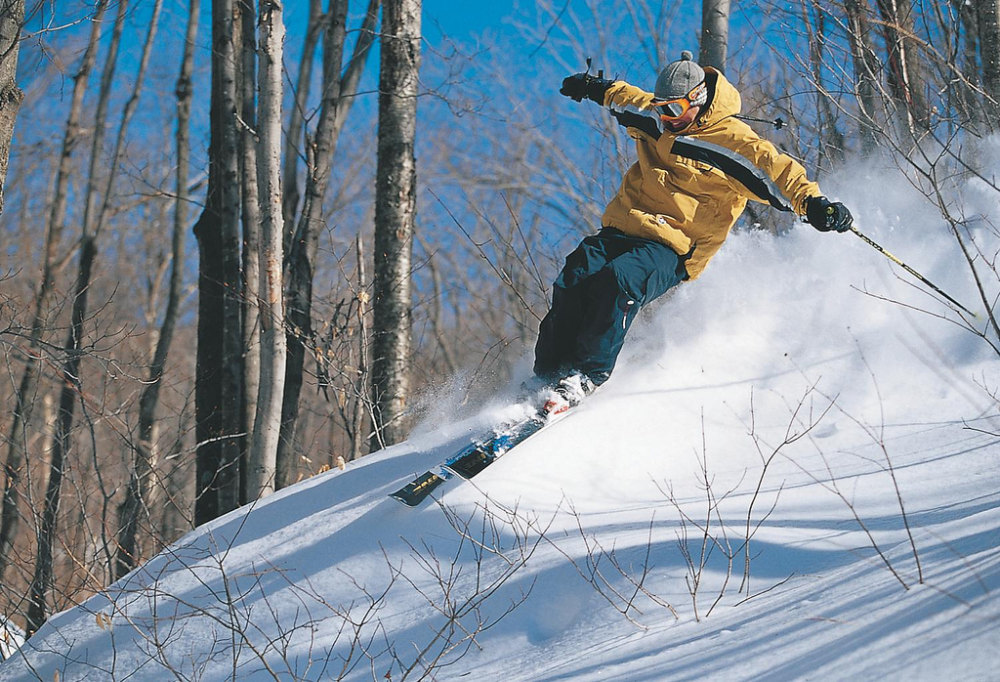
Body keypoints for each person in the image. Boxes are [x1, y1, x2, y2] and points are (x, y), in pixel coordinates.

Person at [534, 50, 853, 413]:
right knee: (575, 274)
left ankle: (586, 377)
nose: (665, 118)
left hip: (675, 246)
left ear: (697, 100)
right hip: (626, 226)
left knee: (618, 280)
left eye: (673, 110)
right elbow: (623, 97)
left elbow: (777, 170)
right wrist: (592, 88)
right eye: (661, 107)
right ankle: (546, 376)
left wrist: (813, 204)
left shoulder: (733, 142)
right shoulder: (657, 115)